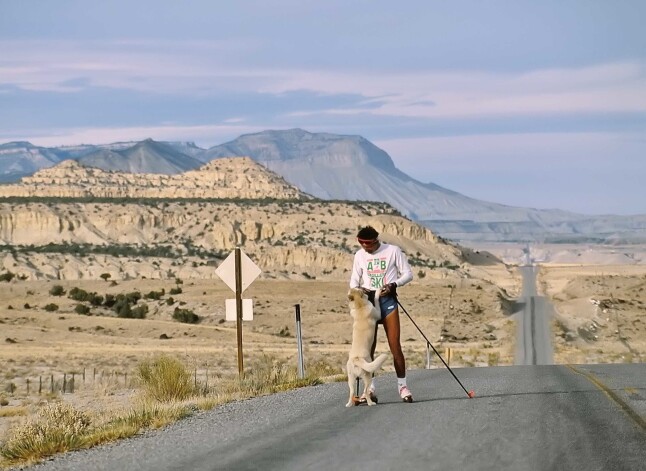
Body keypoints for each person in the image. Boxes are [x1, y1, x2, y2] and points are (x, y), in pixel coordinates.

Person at [349, 225, 414, 402]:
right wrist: (358, 289)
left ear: (375, 241)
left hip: (387, 301)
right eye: (362, 246)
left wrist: (394, 285)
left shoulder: (392, 251)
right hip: (369, 302)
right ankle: (369, 389)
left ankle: (403, 387)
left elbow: (408, 274)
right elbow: (354, 280)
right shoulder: (359, 255)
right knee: (367, 349)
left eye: (368, 246)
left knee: (395, 346)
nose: (365, 249)